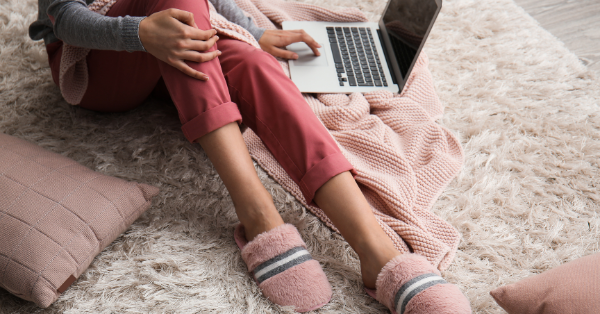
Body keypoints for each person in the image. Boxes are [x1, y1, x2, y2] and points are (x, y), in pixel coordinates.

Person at [29, 0, 471, 312]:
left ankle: (377, 251)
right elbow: (63, 16)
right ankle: (258, 212)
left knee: (251, 60)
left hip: (171, 41)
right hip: (98, 61)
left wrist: (257, 35)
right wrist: (139, 32)